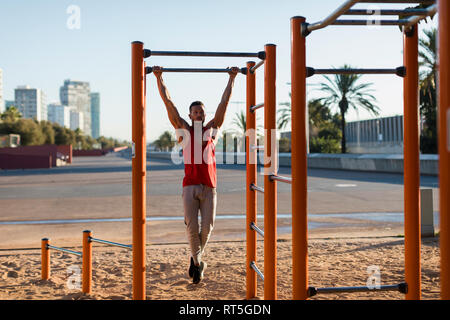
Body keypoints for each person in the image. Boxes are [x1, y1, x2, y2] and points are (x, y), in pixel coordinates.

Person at [153, 66, 239, 284]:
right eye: (195, 112)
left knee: (207, 226)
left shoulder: (212, 131)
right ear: (190, 115)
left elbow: (224, 104)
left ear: (204, 114)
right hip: (190, 187)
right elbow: (168, 103)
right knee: (192, 228)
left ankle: (195, 259)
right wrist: (159, 77)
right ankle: (199, 264)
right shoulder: (184, 130)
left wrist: (232, 79)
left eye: (201, 111)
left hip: (209, 187)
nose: (199, 114)